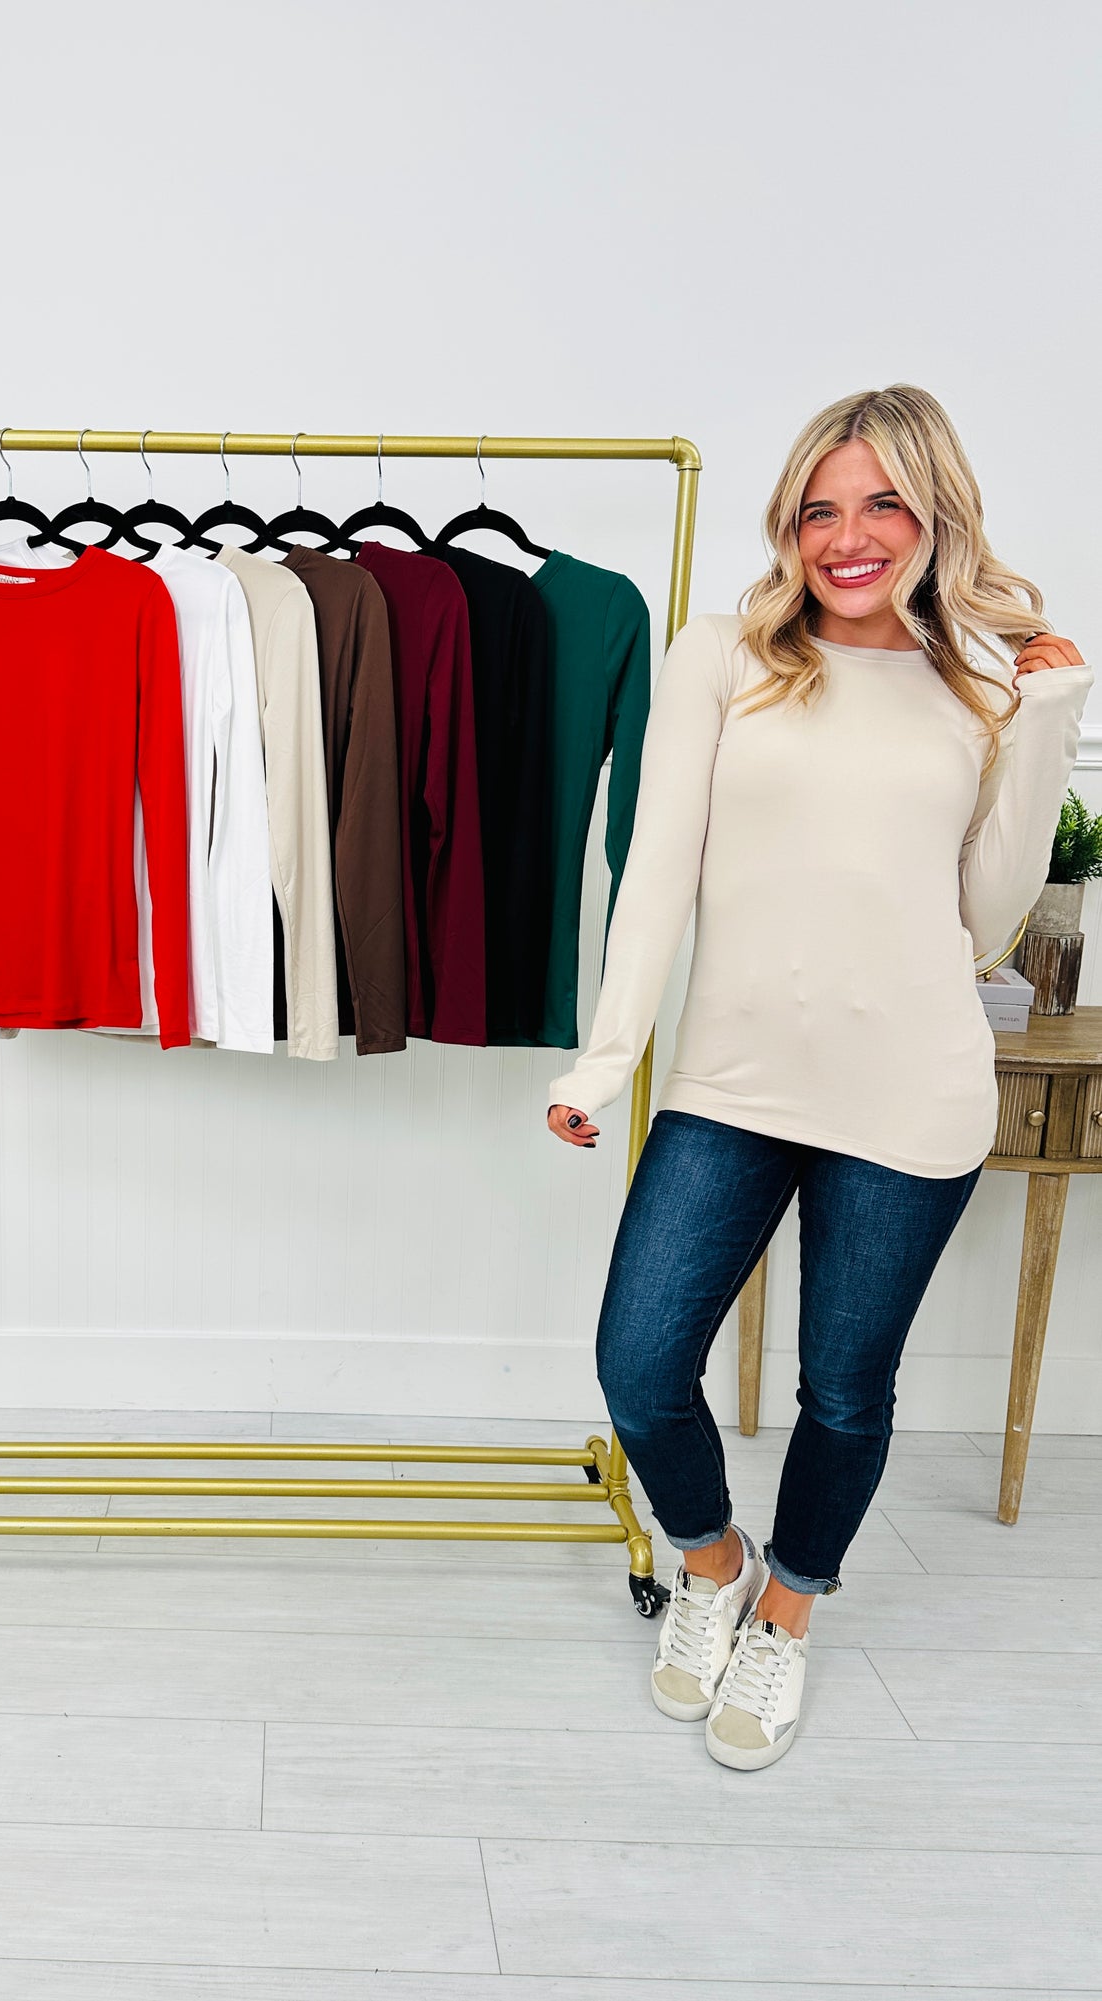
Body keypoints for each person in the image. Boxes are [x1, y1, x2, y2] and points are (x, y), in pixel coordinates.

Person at [546, 384, 1091, 1771]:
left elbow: (984, 918)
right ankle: (713, 1563)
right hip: (733, 1083)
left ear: (937, 515)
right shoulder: (723, 657)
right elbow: (654, 871)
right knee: (638, 1363)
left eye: (883, 504)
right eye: (819, 509)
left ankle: (787, 1612)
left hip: (910, 1094)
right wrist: (607, 1059)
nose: (848, 537)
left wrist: (1045, 716)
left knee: (845, 1390)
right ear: (790, 526)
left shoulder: (981, 686)